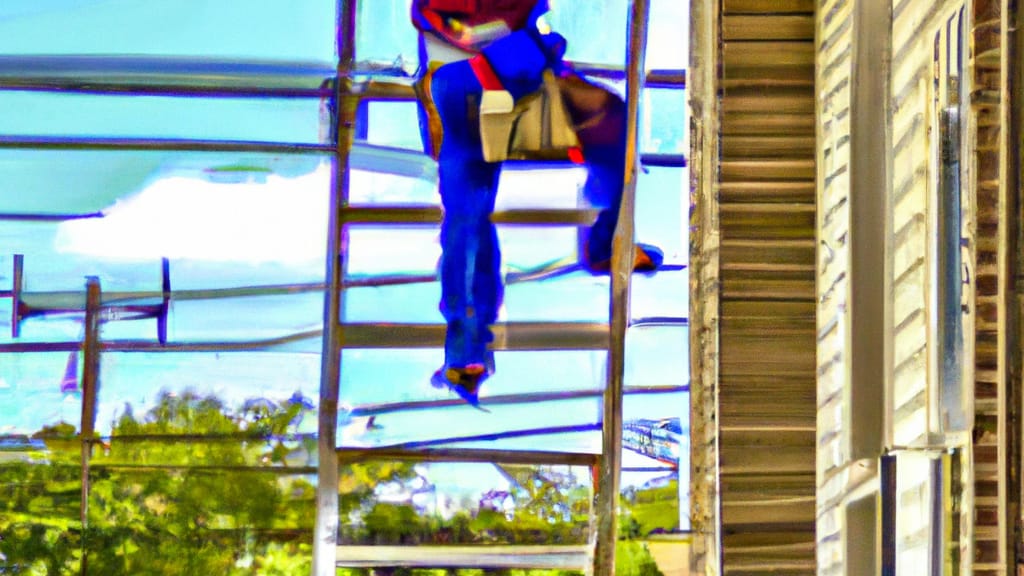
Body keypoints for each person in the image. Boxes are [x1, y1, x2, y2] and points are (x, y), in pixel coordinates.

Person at [411, 0, 663, 406]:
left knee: (613, 120)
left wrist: (537, 56)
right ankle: (467, 345)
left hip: (521, 76)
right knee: (468, 210)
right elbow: (440, 23)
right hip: (468, 78)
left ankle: (605, 244)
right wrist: (512, 48)